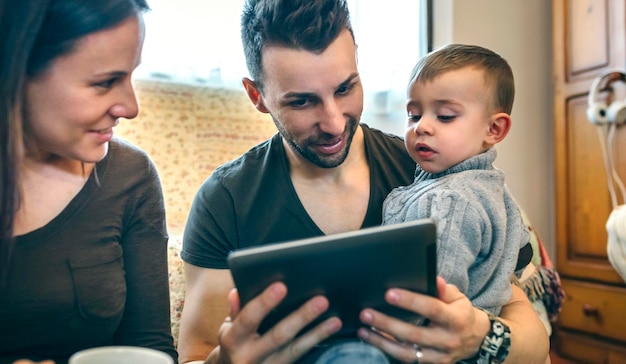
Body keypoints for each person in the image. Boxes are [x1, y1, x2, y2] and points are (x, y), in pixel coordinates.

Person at [178, 0, 550, 363]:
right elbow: (195, 354)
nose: (335, 123)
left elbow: (534, 342)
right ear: (257, 95)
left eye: (345, 88)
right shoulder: (226, 200)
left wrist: (481, 338)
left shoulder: (434, 171)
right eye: (302, 102)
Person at [0, 0, 177, 363]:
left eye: (130, 76)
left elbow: (148, 351)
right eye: (104, 82)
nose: (130, 107)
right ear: (16, 69)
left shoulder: (131, 177)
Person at [382, 44, 529, 316]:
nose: (421, 126)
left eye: (445, 116)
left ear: (494, 129)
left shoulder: (446, 202)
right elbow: (523, 252)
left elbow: (431, 299)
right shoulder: (496, 187)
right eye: (414, 115)